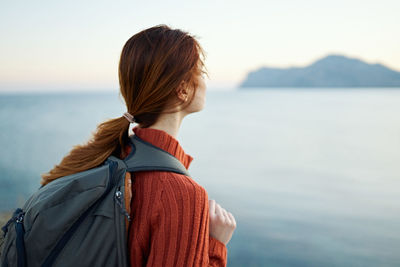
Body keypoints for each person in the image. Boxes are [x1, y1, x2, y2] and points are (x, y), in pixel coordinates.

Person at [40, 24, 236, 266]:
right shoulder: (182, 194)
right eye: (202, 71)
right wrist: (216, 244)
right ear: (182, 89)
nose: (206, 81)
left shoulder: (108, 156)